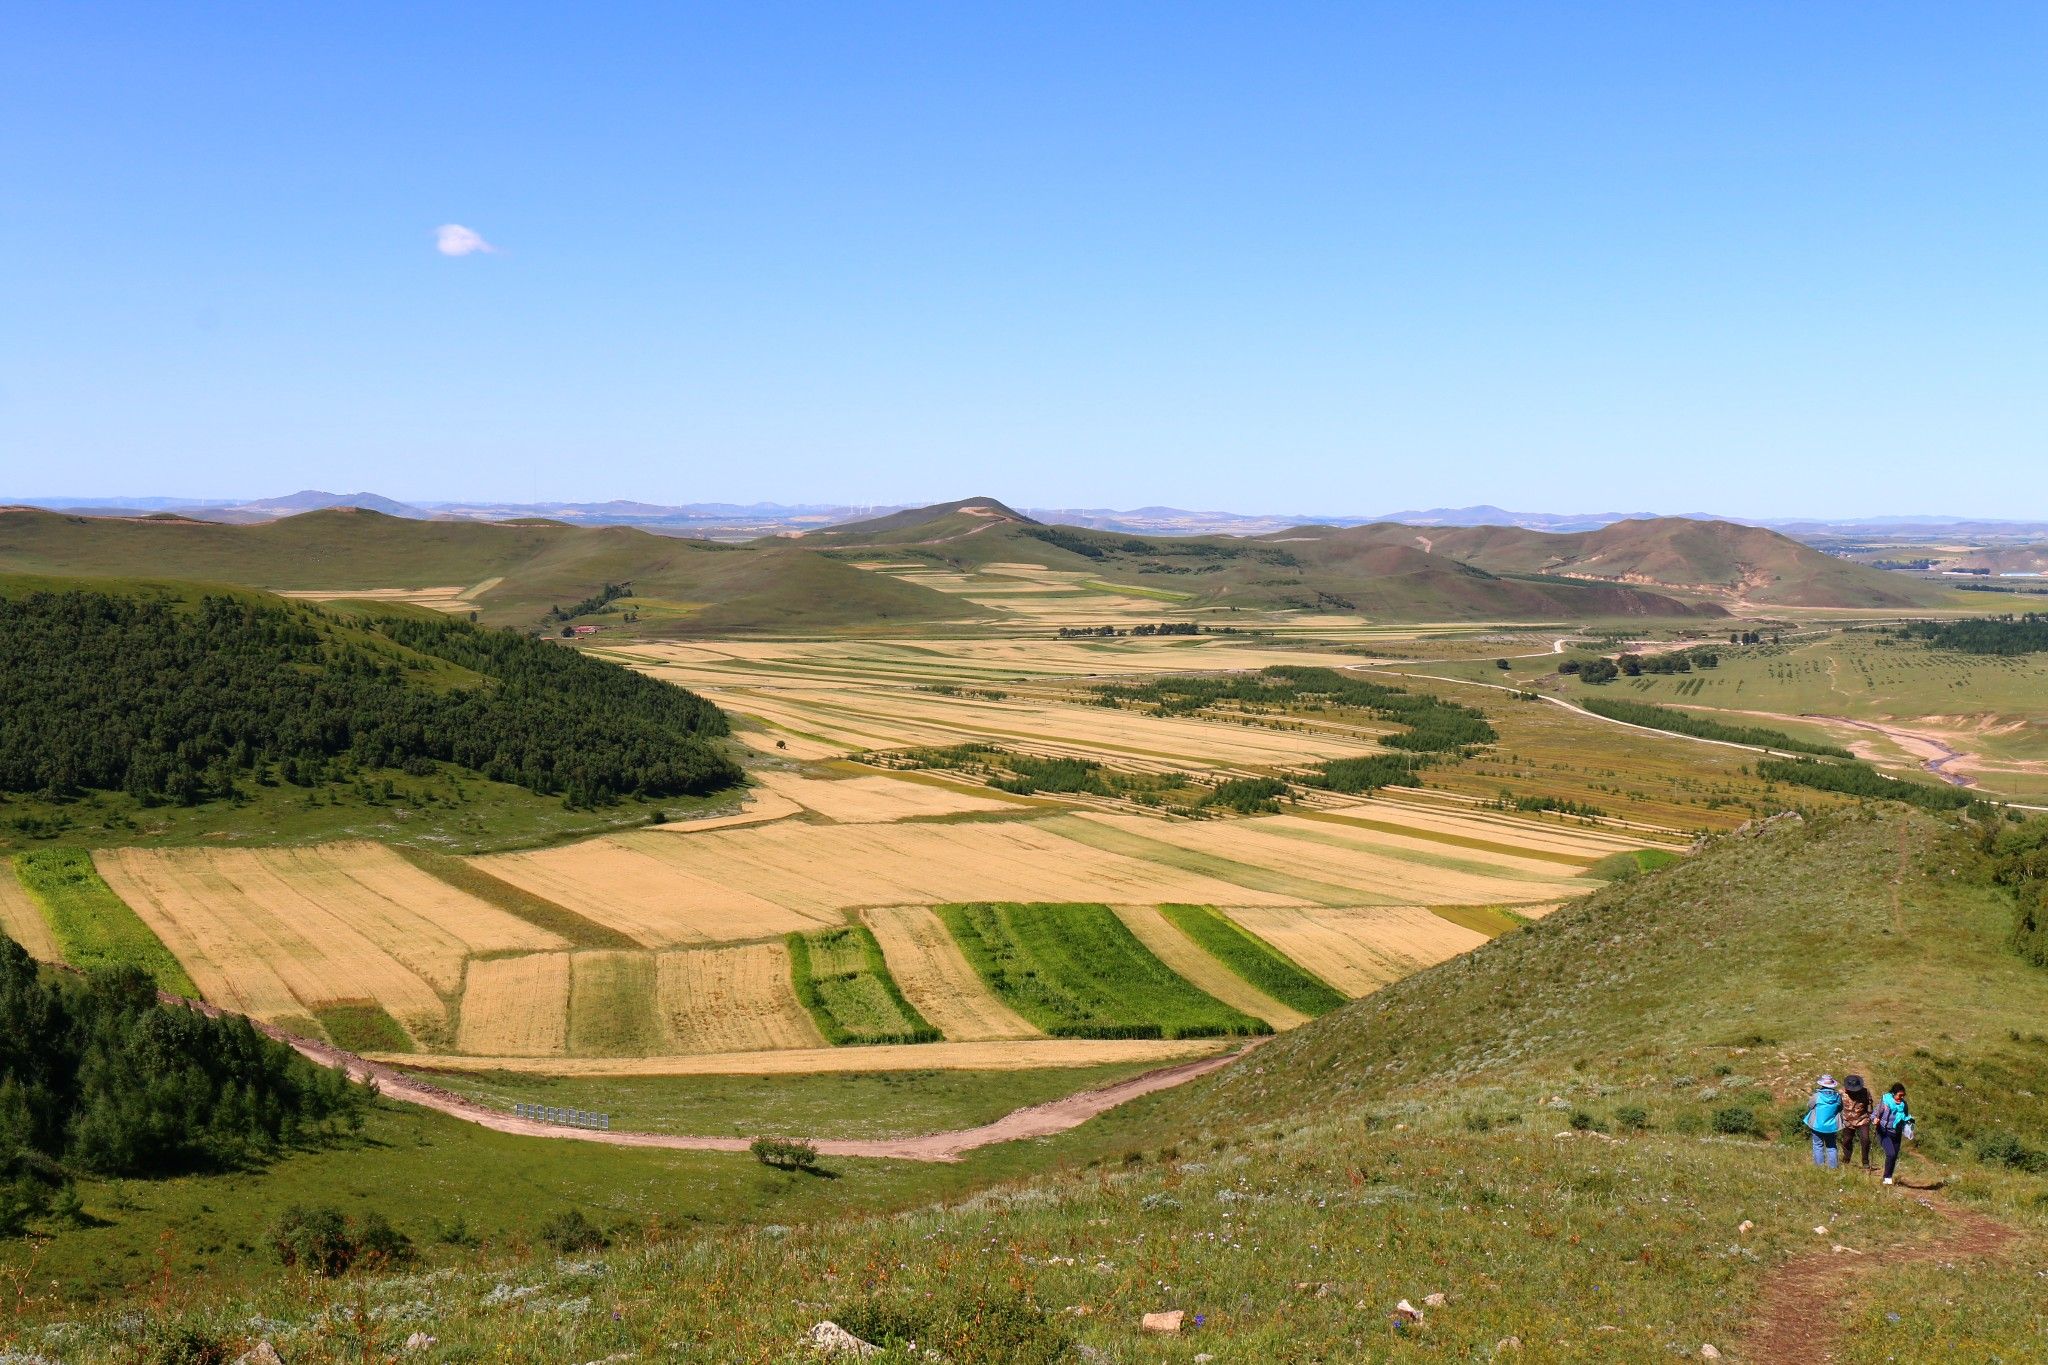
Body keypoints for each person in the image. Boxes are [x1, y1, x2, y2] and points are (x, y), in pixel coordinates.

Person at [1876, 1082, 1913, 1186]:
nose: (1901, 1097)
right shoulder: (1885, 1102)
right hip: (1884, 1131)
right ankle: (1886, 1178)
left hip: (1896, 1133)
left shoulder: (1904, 1104)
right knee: (1891, 1154)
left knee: (1894, 1156)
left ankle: (1888, 1178)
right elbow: (1874, 1114)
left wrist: (1909, 1122)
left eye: (1903, 1095)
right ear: (1893, 1094)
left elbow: (1905, 1116)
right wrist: (1875, 1119)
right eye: (1899, 1095)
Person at [1804, 1074, 1843, 1168]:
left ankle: (1819, 1167)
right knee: (1831, 1146)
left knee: (1818, 1145)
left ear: (1822, 1085)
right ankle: (1833, 1167)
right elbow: (1840, 1107)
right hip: (1831, 1126)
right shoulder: (1837, 1097)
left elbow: (1809, 1105)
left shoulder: (1817, 1096)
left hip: (1817, 1125)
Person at [1838, 1075, 1876, 1170]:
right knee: (1846, 1141)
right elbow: (1838, 1105)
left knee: (1865, 1140)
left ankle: (1865, 1162)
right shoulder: (1841, 1093)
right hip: (1847, 1121)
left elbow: (1870, 1104)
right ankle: (1846, 1159)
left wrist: (1872, 1116)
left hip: (1862, 1120)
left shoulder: (1865, 1092)